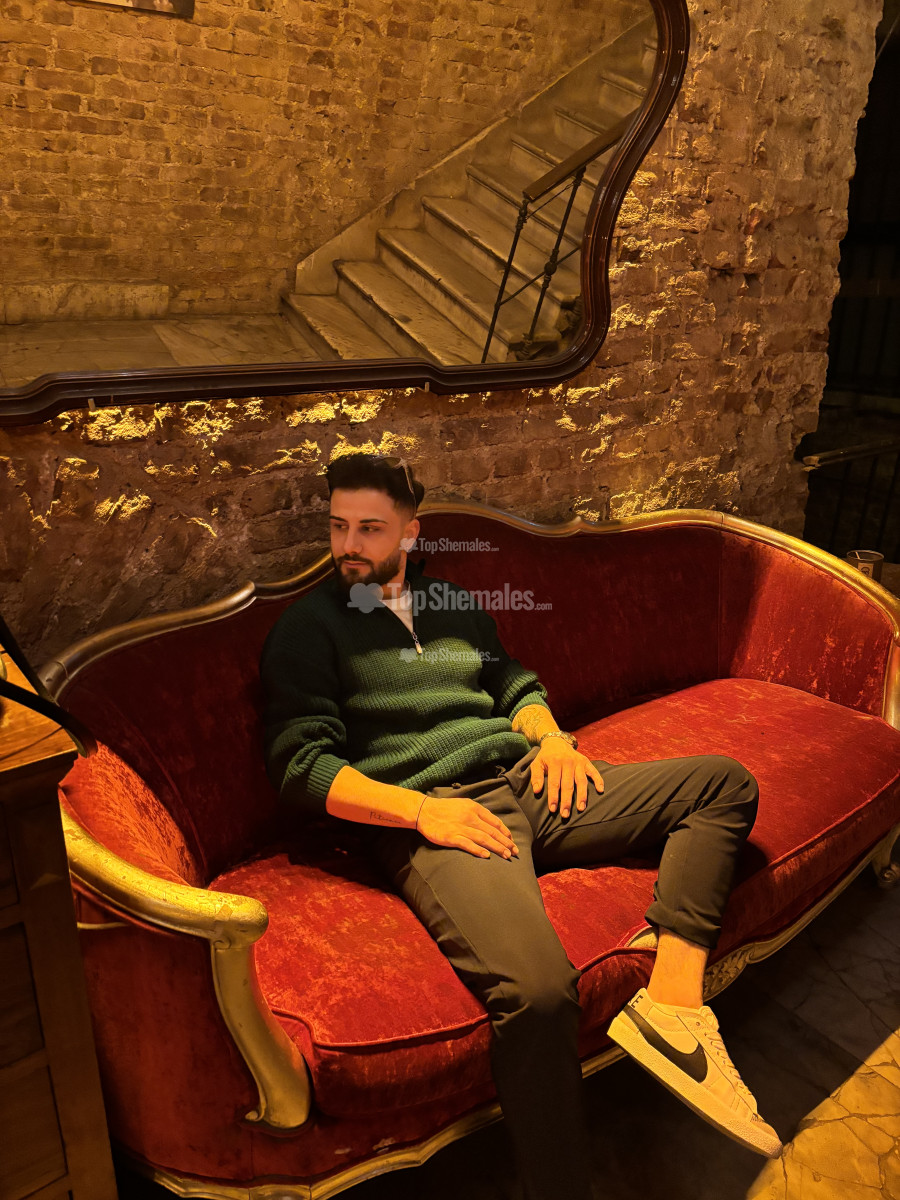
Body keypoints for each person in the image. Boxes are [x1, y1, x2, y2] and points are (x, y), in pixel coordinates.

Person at [260, 452, 782, 1200]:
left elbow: (512, 683)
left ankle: (671, 1003)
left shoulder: (452, 601)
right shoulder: (308, 629)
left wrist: (556, 740)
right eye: (339, 526)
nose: (349, 545)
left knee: (722, 785)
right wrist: (423, 812)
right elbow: (301, 766)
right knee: (539, 993)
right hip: (436, 815)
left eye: (370, 528)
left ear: (410, 532)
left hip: (526, 779)